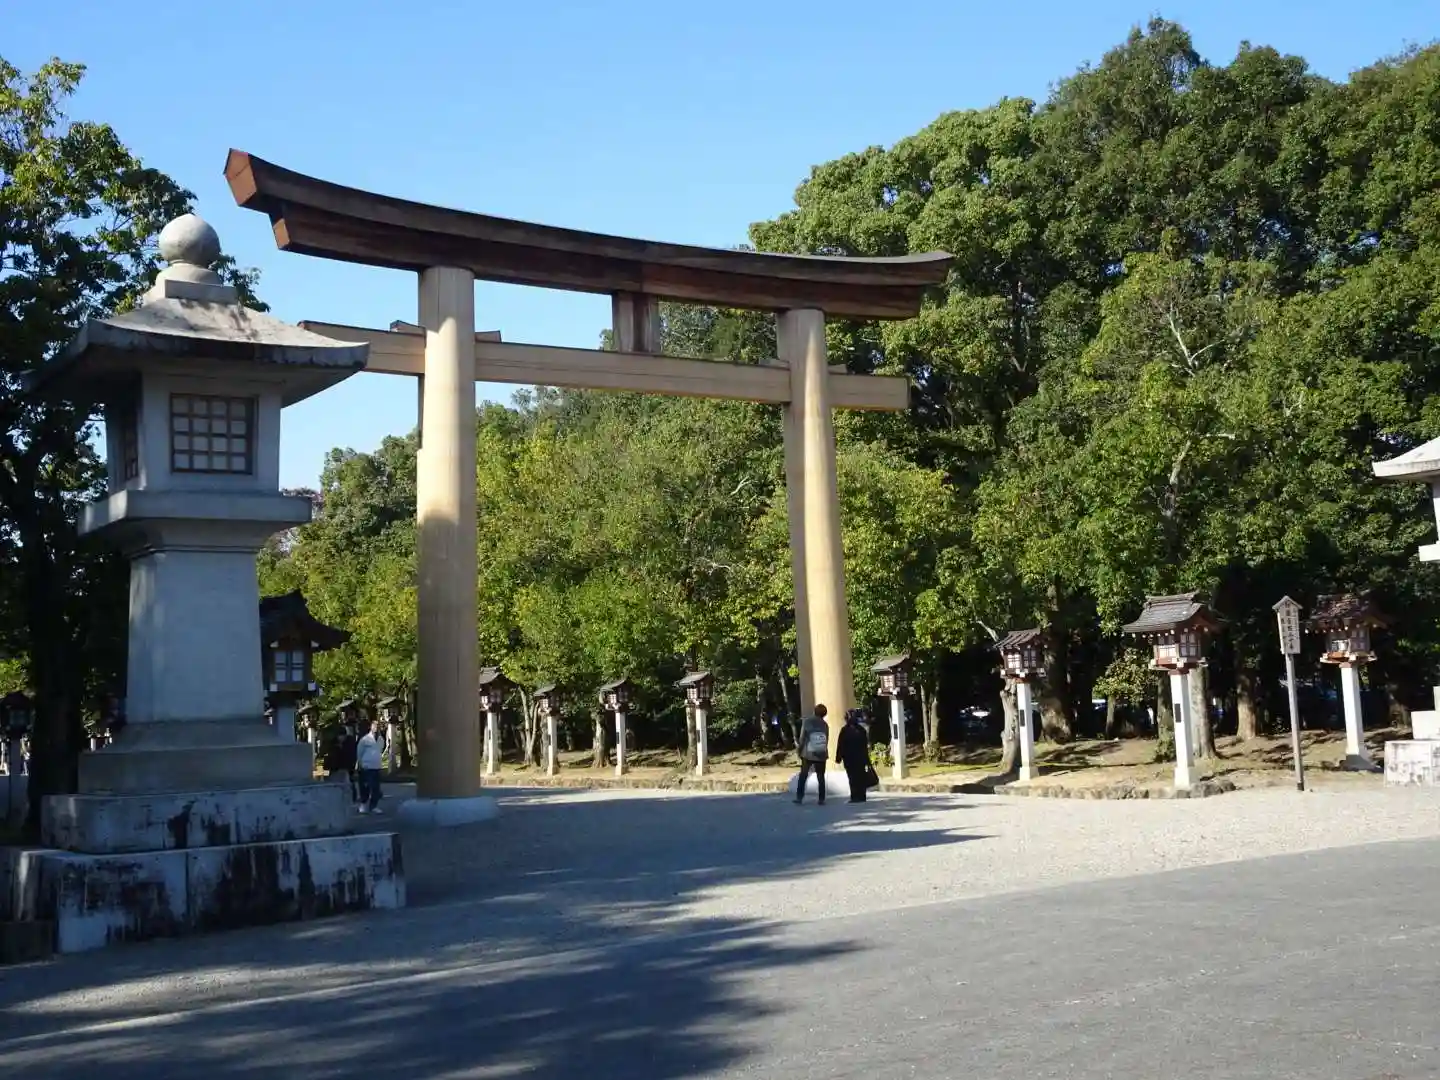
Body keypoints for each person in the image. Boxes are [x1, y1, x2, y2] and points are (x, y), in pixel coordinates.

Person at [795, 704, 830, 805]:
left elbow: (802, 738)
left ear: (814, 711)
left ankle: (799, 797)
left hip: (807, 753)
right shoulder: (825, 725)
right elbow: (826, 739)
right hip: (821, 754)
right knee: (821, 777)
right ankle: (821, 798)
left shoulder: (807, 722)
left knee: (803, 775)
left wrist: (799, 750)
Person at [836, 708, 872, 803]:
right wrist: (867, 759)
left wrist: (838, 757)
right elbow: (865, 746)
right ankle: (862, 795)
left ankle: (855, 796)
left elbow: (841, 745)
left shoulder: (845, 730)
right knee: (861, 776)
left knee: (852, 777)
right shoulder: (861, 730)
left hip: (849, 759)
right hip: (861, 758)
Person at [356, 718, 385, 815]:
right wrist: (360, 764)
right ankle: (363, 804)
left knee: (376, 788)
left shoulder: (381, 739)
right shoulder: (365, 739)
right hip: (366, 766)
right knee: (365, 786)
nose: (376, 728)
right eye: (374, 725)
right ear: (371, 727)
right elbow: (359, 752)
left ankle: (374, 806)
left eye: (378, 726)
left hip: (376, 766)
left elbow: (380, 750)